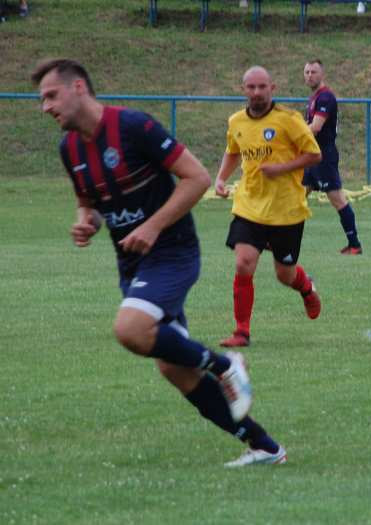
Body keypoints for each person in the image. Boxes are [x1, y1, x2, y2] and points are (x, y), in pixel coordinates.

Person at [33, 58, 286, 467]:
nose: (45, 107)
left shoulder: (133, 127)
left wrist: (151, 227)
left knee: (130, 329)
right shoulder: (70, 149)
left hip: (172, 252)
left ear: (78, 87)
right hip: (132, 264)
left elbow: (198, 178)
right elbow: (88, 204)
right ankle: (266, 448)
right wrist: (86, 223)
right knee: (174, 367)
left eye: (50, 95)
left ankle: (226, 365)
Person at [215, 66, 323, 348]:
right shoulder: (236, 121)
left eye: (262, 87)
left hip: (286, 209)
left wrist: (281, 168)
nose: (257, 92)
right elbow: (233, 152)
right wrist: (220, 179)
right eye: (251, 87)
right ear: (243, 90)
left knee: (284, 275)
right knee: (243, 263)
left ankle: (306, 287)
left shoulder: (289, 120)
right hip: (249, 205)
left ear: (272, 88)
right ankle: (241, 331)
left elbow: (314, 154)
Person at [302, 60, 363, 255]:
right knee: (295, 198)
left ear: (322, 74)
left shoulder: (326, 97)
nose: (309, 75)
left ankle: (354, 244)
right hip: (311, 157)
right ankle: (278, 240)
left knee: (337, 199)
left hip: (323, 157)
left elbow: (316, 127)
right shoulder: (314, 98)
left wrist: (293, 136)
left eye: (314, 71)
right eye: (307, 72)